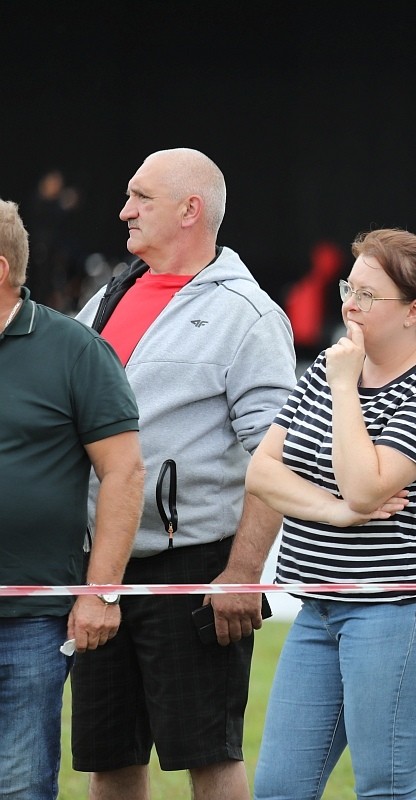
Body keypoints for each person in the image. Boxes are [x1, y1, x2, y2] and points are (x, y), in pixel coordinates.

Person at [72, 148, 296, 800]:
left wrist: (243, 572)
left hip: (195, 568)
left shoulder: (248, 316)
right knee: (106, 757)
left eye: (140, 197)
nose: (124, 211)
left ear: (189, 210)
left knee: (209, 754)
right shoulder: (108, 297)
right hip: (102, 565)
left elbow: (274, 454)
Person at [248, 227, 416, 799]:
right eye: (350, 287)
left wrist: (346, 388)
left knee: (382, 787)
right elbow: (262, 472)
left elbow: (365, 487)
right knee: (277, 789)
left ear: (413, 310)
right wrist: (335, 513)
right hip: (319, 603)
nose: (349, 303)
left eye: (369, 295)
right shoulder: (330, 366)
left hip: (400, 608)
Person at [0, 200, 143, 800]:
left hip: (30, 619)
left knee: (20, 783)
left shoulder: (74, 349)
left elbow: (124, 473)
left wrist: (100, 590)